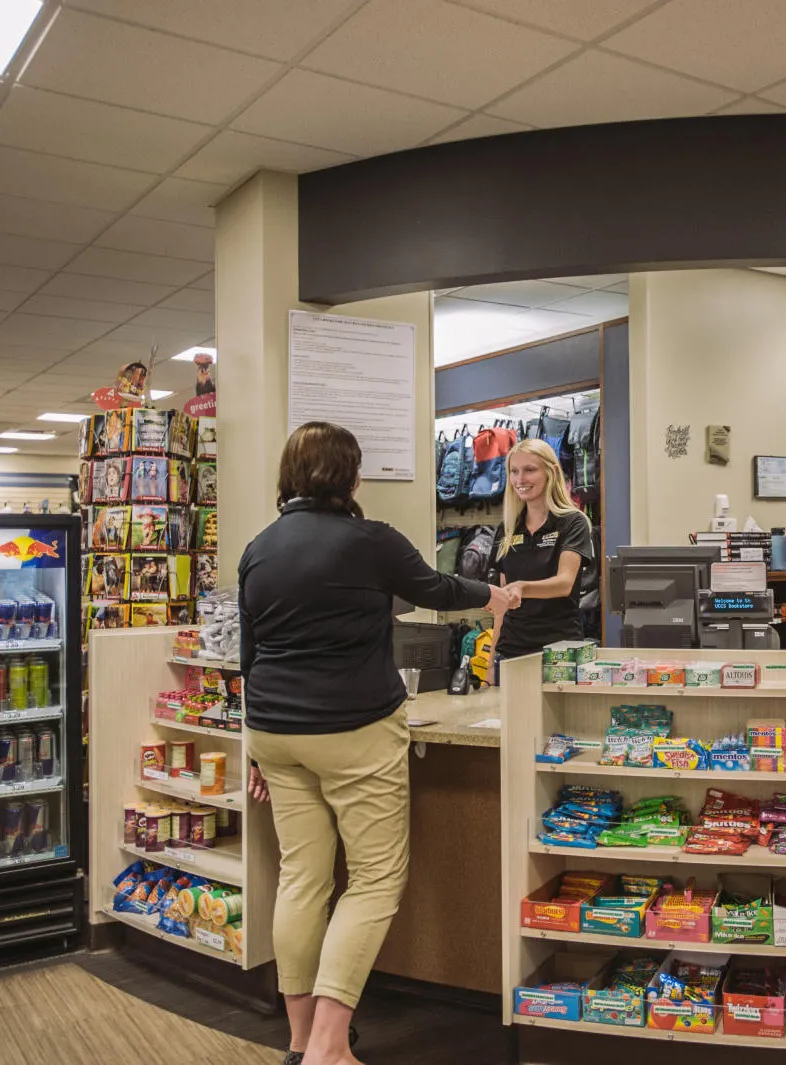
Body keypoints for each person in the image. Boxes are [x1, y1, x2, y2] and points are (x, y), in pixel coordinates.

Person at [240, 422, 517, 1065]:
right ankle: (331, 1050)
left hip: (275, 731)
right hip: (353, 729)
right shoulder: (370, 541)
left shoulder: (260, 547)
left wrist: (256, 748)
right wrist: (494, 595)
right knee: (372, 881)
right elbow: (438, 589)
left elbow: (250, 656)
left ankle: (300, 1040)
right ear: (351, 477)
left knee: (302, 879)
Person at [489, 438, 595, 667]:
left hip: (560, 650)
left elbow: (565, 583)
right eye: (514, 471)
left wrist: (522, 587)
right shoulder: (507, 529)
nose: (519, 480)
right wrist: (490, 662)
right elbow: (502, 607)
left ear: (551, 472)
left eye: (529, 470)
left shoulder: (573, 522)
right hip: (512, 649)